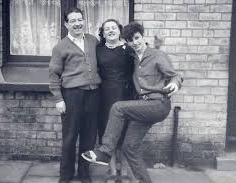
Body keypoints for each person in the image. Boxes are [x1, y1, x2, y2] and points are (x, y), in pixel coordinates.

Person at [82, 22, 183, 183]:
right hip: (142, 107)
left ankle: (106, 151)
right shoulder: (133, 57)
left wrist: (174, 84)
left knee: (117, 108)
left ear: (142, 37)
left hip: (158, 104)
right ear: (127, 43)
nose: (135, 42)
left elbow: (175, 75)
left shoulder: (157, 56)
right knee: (129, 147)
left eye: (137, 38)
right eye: (130, 40)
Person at [49, 8, 101, 183]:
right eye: (73, 21)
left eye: (80, 19)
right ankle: (66, 175)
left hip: (93, 95)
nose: (78, 23)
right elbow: (53, 75)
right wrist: (58, 99)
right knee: (70, 137)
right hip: (72, 96)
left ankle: (84, 173)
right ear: (66, 24)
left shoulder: (93, 41)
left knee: (89, 137)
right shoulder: (60, 47)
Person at [96, 19, 134, 182]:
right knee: (107, 130)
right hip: (104, 95)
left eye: (113, 28)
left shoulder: (129, 49)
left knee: (125, 131)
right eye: (107, 29)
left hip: (125, 93)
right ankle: (111, 170)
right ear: (103, 34)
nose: (110, 31)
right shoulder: (98, 50)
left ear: (120, 31)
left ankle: (124, 170)